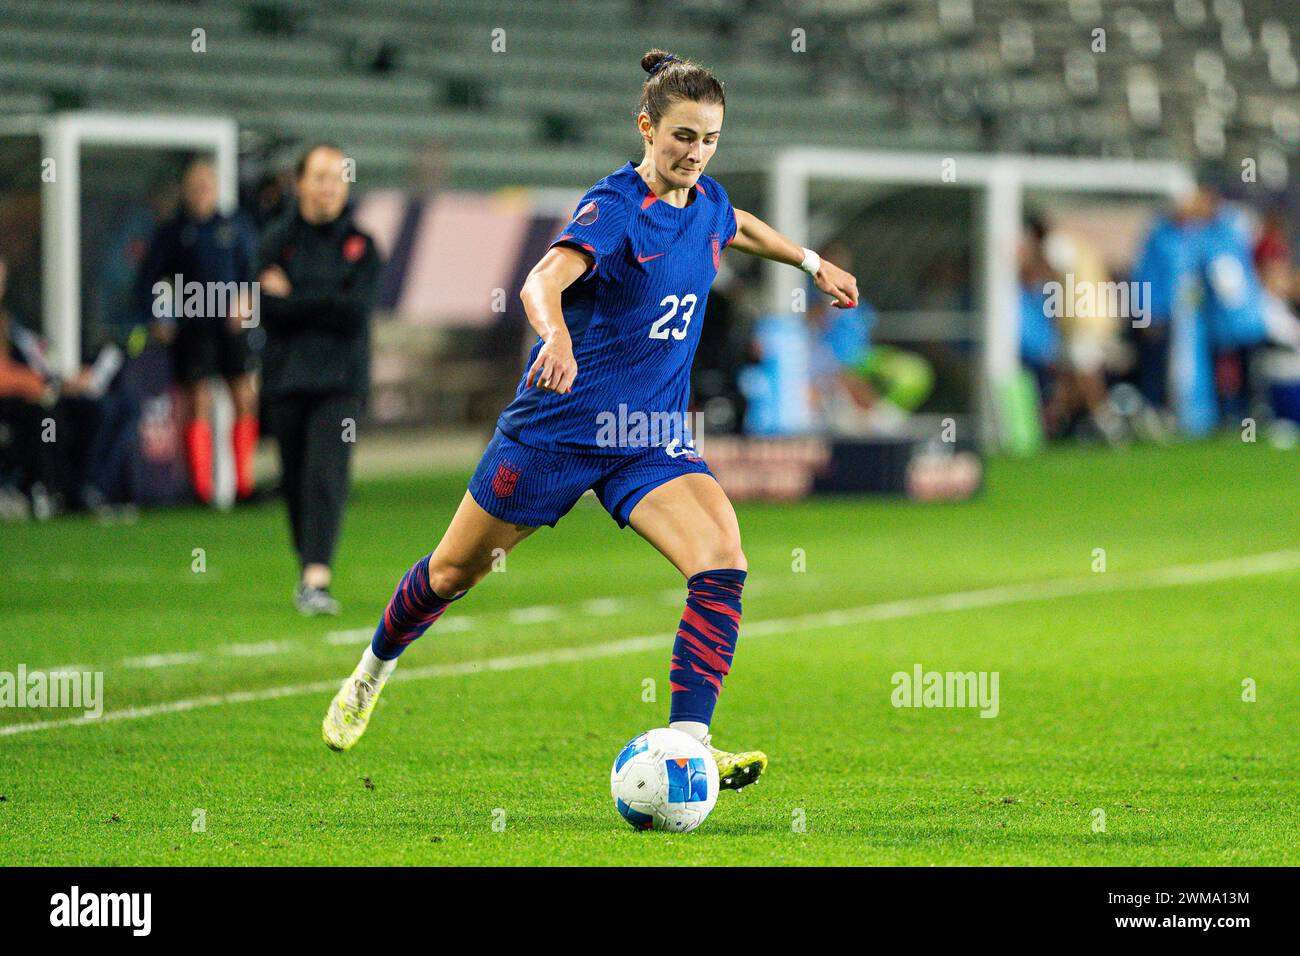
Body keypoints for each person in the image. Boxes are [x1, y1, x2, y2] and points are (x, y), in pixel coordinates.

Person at [320, 50, 859, 798]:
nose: (695, 153)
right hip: (557, 434)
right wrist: (558, 335)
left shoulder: (705, 200)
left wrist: (808, 262)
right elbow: (542, 279)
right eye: (681, 137)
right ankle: (370, 671)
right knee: (452, 573)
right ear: (646, 127)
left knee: (722, 562)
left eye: (708, 139)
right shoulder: (613, 208)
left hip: (650, 441)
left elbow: (739, 225)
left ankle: (687, 745)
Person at [256, 144, 382, 615]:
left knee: (324, 474)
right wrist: (326, 298)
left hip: (340, 382)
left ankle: (316, 577)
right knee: (294, 481)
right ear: (301, 183)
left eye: (337, 177)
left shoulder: (363, 246)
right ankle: (308, 564)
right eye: (320, 177)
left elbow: (353, 314)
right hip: (287, 379)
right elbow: (266, 309)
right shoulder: (275, 240)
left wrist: (296, 298)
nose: (329, 187)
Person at [135, 158, 260, 504]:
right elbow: (148, 280)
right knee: (199, 400)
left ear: (216, 187)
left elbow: (254, 271)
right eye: (196, 184)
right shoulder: (173, 232)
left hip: (232, 327)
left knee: (244, 397)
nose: (202, 190)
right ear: (186, 190)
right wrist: (158, 316)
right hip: (195, 326)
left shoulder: (236, 226)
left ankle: (243, 486)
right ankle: (202, 491)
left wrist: (247, 299)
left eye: (207, 183)